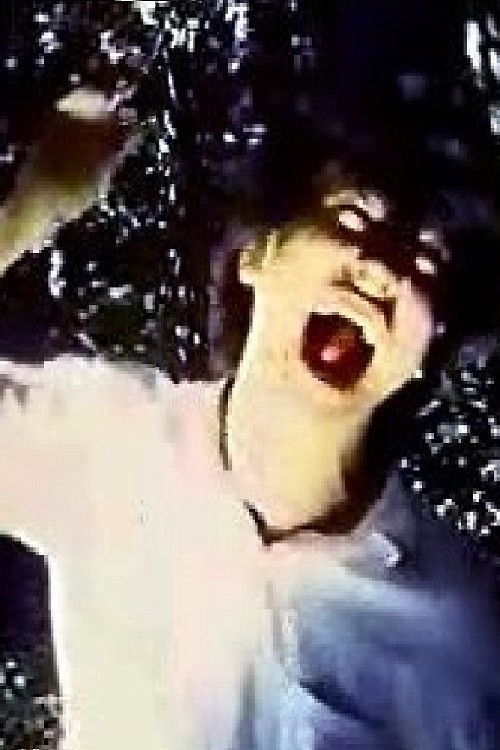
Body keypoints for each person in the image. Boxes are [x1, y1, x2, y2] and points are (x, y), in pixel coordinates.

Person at [0, 83, 499, 750]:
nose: (380, 270)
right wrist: (30, 210)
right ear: (256, 255)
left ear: (425, 356)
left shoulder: (465, 634)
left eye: (424, 262)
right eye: (353, 218)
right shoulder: (103, 437)